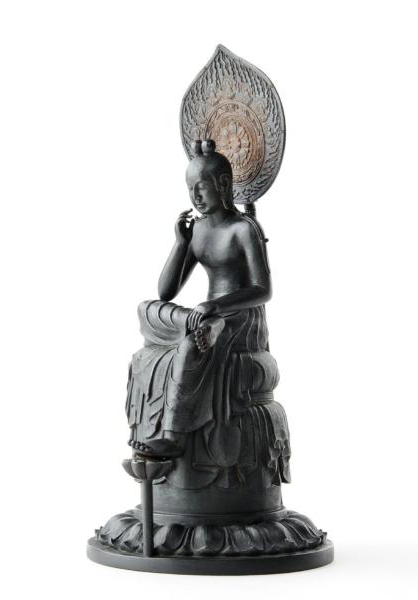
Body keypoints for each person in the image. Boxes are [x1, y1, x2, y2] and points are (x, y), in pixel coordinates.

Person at [126, 140, 290, 493]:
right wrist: (180, 242)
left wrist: (215, 308)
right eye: (190, 188)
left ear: (224, 184)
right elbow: (166, 292)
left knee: (190, 348)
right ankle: (198, 326)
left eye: (201, 186)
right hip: (204, 315)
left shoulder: (244, 229)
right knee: (145, 309)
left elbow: (263, 289)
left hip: (239, 317)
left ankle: (172, 435)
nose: (195, 195)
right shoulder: (198, 229)